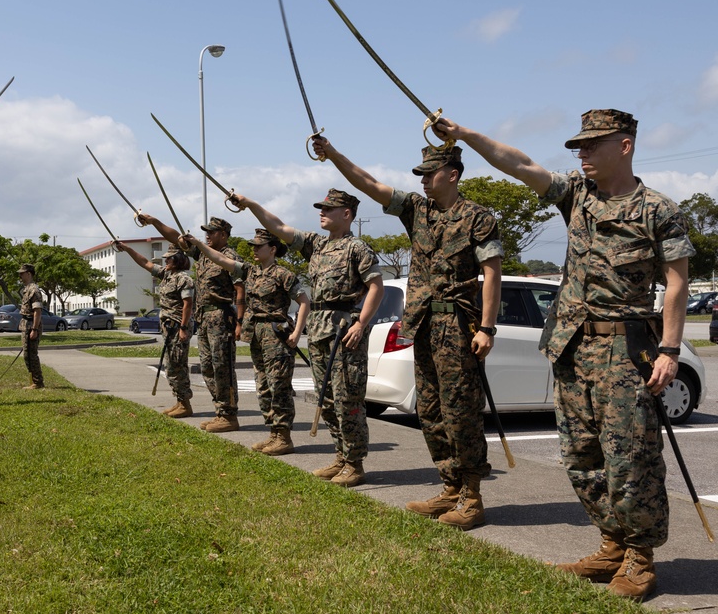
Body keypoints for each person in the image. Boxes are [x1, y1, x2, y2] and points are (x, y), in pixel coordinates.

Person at [435, 109, 693, 600]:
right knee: (581, 456)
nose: (582, 153)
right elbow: (519, 164)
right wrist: (465, 134)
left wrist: (670, 349)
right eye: (578, 146)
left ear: (625, 144)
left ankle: (640, 558)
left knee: (631, 459)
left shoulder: (657, 209)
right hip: (572, 347)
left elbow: (678, 281)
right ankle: (611, 545)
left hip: (626, 349)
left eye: (592, 144)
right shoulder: (576, 194)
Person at [314, 138, 503, 528]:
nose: (422, 181)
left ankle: (472, 497)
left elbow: (492, 274)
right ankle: (449, 487)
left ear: (452, 174)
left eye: (429, 174)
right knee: (430, 412)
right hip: (422, 324)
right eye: (419, 175)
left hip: (457, 324)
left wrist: (486, 327)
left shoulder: (478, 217)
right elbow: (368, 183)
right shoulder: (417, 210)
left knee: (460, 413)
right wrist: (333, 154)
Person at [232, 189, 383, 487]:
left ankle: (355, 463)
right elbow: (279, 228)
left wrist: (361, 324)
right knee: (326, 398)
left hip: (342, 327)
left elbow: (376, 287)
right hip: (318, 328)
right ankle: (341, 456)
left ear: (347, 214)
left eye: (329, 209)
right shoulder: (316, 245)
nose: (322, 213)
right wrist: (250, 204)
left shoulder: (357, 248)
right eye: (321, 208)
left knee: (346, 398)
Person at [185, 229, 310, 455]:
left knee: (278, 386)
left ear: (272, 249)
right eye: (252, 246)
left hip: (276, 334)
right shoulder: (250, 271)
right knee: (262, 387)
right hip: (257, 334)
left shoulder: (284, 274)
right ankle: (273, 433)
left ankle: (284, 437)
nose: (253, 249)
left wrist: (297, 332)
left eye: (258, 246)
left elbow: (304, 302)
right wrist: (198, 244)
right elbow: (220, 259)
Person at [138, 214, 244, 433]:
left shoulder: (230, 256)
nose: (207, 235)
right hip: (205, 319)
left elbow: (240, 289)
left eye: (211, 232)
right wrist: (154, 221)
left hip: (221, 317)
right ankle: (220, 412)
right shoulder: (203, 255)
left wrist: (240, 322)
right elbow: (176, 237)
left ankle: (229, 415)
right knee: (208, 368)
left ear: (223, 235)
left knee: (223, 368)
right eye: (205, 232)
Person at [115, 241, 194, 417]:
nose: (165, 262)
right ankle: (179, 400)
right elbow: (144, 262)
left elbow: (188, 304)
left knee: (178, 365)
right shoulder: (166, 275)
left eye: (169, 259)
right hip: (167, 327)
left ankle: (185, 404)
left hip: (177, 326)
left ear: (179, 259)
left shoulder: (184, 279)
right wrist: (127, 249)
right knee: (171, 365)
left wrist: (183, 328)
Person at [17, 263, 45, 389]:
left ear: (29, 274)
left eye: (22, 274)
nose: (20, 276)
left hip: (31, 324)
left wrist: (34, 329)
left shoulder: (34, 290)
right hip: (26, 323)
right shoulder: (26, 289)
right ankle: (34, 380)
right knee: (27, 354)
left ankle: (37, 382)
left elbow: (37, 311)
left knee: (31, 354)